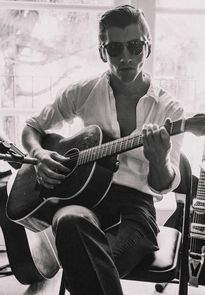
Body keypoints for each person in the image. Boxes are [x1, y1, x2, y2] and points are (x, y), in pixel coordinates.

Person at [21, 5, 184, 295]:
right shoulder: (83, 91)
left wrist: (158, 159)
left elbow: (162, 185)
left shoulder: (168, 110)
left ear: (147, 48)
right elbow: (32, 127)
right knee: (69, 222)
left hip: (135, 212)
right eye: (114, 49)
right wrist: (40, 154)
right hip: (82, 201)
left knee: (84, 264)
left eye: (135, 47)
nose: (126, 58)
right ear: (101, 51)